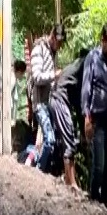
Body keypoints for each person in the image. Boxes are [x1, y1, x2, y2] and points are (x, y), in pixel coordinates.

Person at [82, 23, 107, 204]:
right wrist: (87, 117)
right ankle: (93, 198)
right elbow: (86, 88)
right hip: (96, 119)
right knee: (99, 165)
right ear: (102, 41)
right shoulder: (93, 58)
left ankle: (104, 200)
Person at [49, 48, 90, 190]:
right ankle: (71, 183)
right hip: (60, 100)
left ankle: (70, 180)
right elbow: (79, 105)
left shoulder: (74, 67)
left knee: (69, 140)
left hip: (58, 100)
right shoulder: (83, 67)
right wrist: (84, 134)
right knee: (69, 142)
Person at [29, 23, 66, 171]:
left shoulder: (52, 52)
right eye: (59, 42)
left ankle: (33, 164)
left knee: (45, 141)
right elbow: (37, 77)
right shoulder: (39, 50)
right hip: (39, 103)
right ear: (52, 37)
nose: (60, 46)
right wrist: (54, 75)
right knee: (49, 140)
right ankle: (38, 170)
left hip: (49, 103)